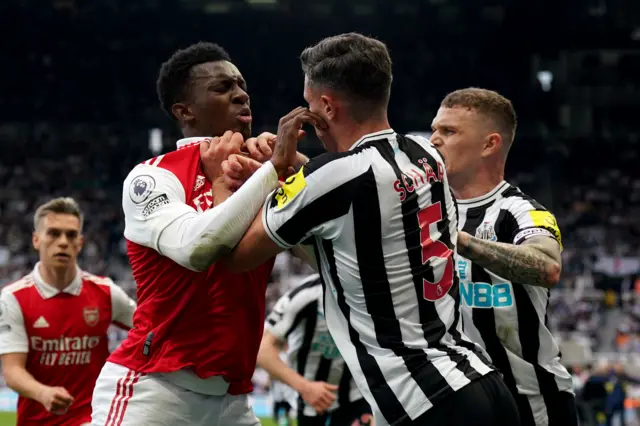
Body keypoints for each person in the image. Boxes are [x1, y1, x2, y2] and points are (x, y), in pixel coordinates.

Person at [222, 33, 520, 426]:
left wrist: (265, 173)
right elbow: (346, 193)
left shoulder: (334, 177)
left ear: (326, 106)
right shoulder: (426, 154)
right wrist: (294, 169)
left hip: (427, 401)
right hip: (481, 383)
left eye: (311, 107)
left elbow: (235, 256)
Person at [90, 42, 319, 426]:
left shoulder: (266, 172)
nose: (241, 94)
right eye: (222, 87)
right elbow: (197, 248)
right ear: (185, 111)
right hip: (153, 390)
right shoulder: (153, 175)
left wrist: (300, 172)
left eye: (242, 85)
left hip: (231, 400)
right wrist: (270, 171)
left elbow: (321, 255)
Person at [429, 87, 577, 425]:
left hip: (530, 402)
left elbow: (547, 266)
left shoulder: (518, 210)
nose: (434, 139)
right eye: (435, 129)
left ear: (489, 144)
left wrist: (456, 239)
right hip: (455, 403)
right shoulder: (423, 210)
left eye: (449, 132)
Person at [0, 197, 136, 426]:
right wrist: (42, 393)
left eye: (71, 235)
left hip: (91, 419)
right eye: (53, 233)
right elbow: (13, 370)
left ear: (80, 243)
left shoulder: (105, 292)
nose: (63, 242)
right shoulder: (14, 298)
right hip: (37, 420)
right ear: (36, 239)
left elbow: (148, 327)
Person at [258, 274, 373, 426]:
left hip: (357, 394)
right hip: (311, 400)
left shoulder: (376, 295)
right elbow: (263, 350)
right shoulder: (305, 295)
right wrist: (304, 387)